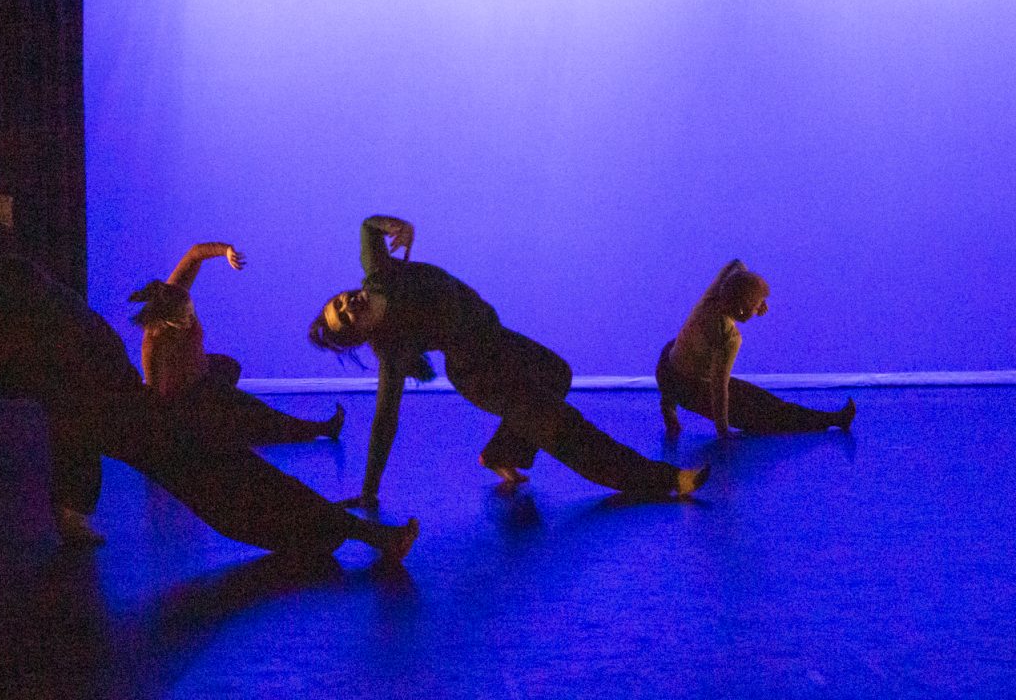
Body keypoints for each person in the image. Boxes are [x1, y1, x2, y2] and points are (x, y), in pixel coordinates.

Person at [0, 145, 418, 589]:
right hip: (113, 411)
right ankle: (356, 532)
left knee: (185, 456)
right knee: (217, 479)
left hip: (98, 385)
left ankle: (71, 508)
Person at [309, 214, 708, 509]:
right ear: (359, 336)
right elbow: (384, 421)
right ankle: (666, 479)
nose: (346, 305)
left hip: (499, 340)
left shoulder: (377, 274)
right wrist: (370, 489)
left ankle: (501, 453)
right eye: (344, 318)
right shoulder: (393, 350)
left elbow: (368, 227)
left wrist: (397, 225)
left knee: (557, 372)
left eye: (338, 302)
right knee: (565, 430)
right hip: (481, 374)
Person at [131, 241, 344, 445]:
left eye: (191, 311)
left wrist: (226, 251)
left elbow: (195, 253)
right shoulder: (154, 343)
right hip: (187, 397)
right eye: (185, 317)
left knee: (229, 367)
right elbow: (153, 396)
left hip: (201, 374)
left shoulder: (173, 292)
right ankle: (320, 429)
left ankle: (224, 422)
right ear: (169, 322)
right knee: (254, 411)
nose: (191, 318)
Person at [656, 259, 855, 439]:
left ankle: (669, 403)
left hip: (666, 368)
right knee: (770, 414)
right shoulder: (728, 337)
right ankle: (834, 420)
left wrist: (746, 287)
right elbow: (718, 387)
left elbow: (736, 264)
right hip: (689, 388)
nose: (761, 308)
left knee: (761, 399)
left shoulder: (710, 300)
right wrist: (723, 431)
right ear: (743, 309)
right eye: (758, 304)